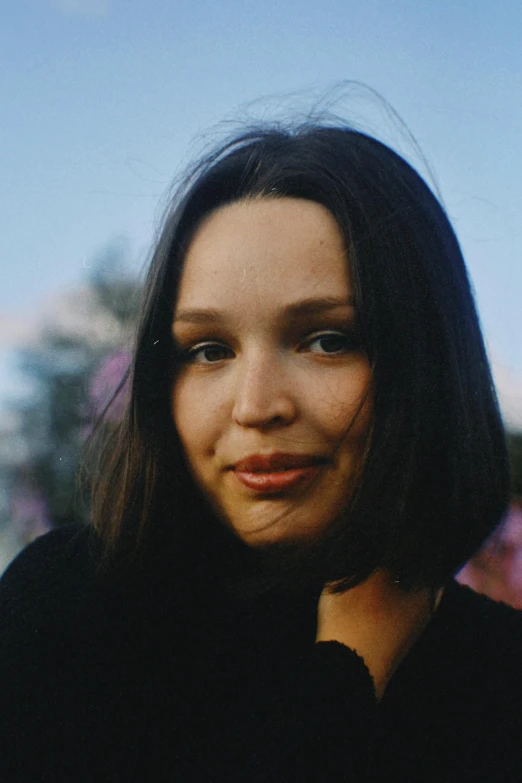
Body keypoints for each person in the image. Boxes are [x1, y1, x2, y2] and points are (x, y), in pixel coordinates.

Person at [1, 119, 521, 782]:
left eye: (326, 339)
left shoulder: (497, 680)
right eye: (209, 350)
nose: (255, 405)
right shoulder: (67, 615)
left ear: (426, 359)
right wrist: (347, 667)